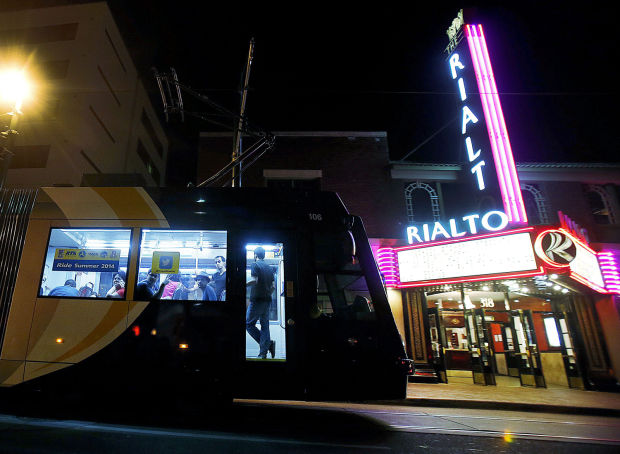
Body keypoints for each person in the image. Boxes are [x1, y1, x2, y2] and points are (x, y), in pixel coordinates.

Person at [246, 246, 276, 359]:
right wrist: (267, 293)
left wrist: (242, 285)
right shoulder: (269, 267)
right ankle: (263, 353)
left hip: (257, 299)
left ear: (255, 255)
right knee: (265, 326)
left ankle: (267, 345)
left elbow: (254, 280)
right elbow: (273, 286)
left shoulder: (255, 264)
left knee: (249, 324)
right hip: (267, 300)